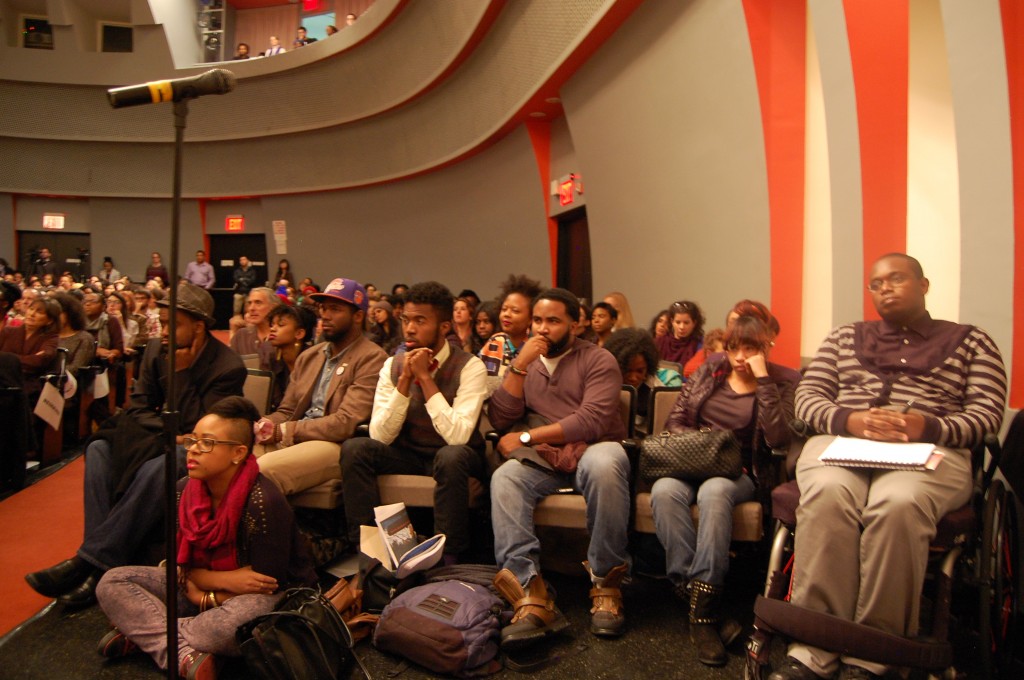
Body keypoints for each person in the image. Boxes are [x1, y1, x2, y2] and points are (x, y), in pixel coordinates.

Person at [768, 254, 1007, 680]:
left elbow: (987, 415)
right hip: (843, 442)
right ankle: (815, 648)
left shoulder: (972, 342)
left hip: (930, 450)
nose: (885, 288)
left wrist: (926, 425)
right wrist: (852, 420)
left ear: (924, 284)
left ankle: (872, 656)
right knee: (828, 494)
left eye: (896, 278)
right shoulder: (844, 337)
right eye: (876, 284)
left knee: (898, 503)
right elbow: (808, 399)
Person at [24, 282, 246, 608]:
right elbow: (139, 407)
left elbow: (203, 429)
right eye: (164, 321)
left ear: (198, 327)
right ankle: (100, 560)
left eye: (175, 324)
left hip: (200, 448)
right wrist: (171, 433)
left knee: (169, 462)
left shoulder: (227, 366)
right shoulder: (157, 350)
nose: (165, 330)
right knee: (99, 449)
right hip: (158, 437)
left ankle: (90, 564)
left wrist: (182, 374)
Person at [95, 396, 316, 679]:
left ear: (237, 452)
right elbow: (181, 566)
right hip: (202, 586)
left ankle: (142, 633)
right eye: (192, 441)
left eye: (207, 443)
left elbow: (265, 585)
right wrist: (213, 586)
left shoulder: (263, 501)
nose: (193, 451)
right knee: (112, 582)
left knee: (224, 628)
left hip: (269, 600)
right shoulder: (183, 490)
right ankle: (181, 653)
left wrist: (202, 592)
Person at [488, 287, 631, 648]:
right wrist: (519, 365)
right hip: (545, 458)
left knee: (607, 462)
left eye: (553, 321)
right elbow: (501, 416)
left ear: (575, 324)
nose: (542, 329)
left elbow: (592, 419)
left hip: (591, 449)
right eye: (537, 320)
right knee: (506, 477)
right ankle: (528, 592)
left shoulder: (598, 359)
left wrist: (526, 439)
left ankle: (606, 585)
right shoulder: (529, 361)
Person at [655, 316, 794, 665]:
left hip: (741, 473)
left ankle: (702, 614)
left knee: (715, 491)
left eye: (750, 349)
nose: (740, 357)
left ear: (766, 348)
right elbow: (675, 421)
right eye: (734, 348)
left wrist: (763, 379)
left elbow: (779, 439)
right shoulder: (708, 373)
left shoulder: (781, 381)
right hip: (692, 463)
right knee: (663, 490)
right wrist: (704, 444)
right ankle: (703, 607)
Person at [340, 281, 487, 562]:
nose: (409, 328)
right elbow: (380, 436)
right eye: (406, 319)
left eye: (420, 321)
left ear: (444, 326)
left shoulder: (470, 366)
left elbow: (458, 436)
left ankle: (448, 559)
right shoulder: (392, 366)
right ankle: (369, 553)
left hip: (457, 456)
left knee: (451, 455)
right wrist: (406, 380)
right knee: (355, 449)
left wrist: (426, 379)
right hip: (408, 454)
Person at [256, 279, 387, 507]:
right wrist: (266, 423)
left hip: (335, 444)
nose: (325, 315)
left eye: (335, 309)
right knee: (229, 462)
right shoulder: (311, 356)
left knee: (261, 471)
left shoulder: (372, 358)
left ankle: (274, 541)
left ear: (358, 316)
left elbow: (345, 423)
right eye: (323, 308)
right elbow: (287, 410)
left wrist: (285, 430)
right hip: (296, 436)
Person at [603, 328, 682, 431]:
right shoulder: (604, 385)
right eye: (627, 370)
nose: (633, 377)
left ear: (648, 367)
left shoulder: (665, 384)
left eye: (640, 371)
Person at [479, 274, 542, 397]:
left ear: (531, 318)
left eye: (515, 311)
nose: (507, 314)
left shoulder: (536, 346)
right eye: (504, 309)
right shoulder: (495, 341)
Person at [0, 294, 59, 396]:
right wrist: (28, 359)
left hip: (29, 383)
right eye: (31, 309)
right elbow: (32, 360)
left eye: (39, 312)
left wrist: (6, 359)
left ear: (49, 321)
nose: (32, 314)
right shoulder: (8, 331)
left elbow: (38, 361)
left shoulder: (51, 338)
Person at [264, 304, 317, 411]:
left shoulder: (314, 359)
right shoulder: (273, 359)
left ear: (299, 333)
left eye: (281, 325)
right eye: (272, 324)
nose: (273, 329)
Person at [230, 288, 282, 361]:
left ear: (274, 307)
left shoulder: (283, 336)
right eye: (249, 303)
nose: (251, 308)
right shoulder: (241, 335)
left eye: (258, 303)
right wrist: (233, 332)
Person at [53, 292, 96, 375]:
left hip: (68, 382)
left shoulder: (84, 338)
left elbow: (77, 367)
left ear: (70, 314)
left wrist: (52, 374)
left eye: (58, 313)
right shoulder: (46, 335)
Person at [656, 300, 704, 366]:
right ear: (672, 321)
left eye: (686, 323)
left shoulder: (700, 345)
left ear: (694, 323)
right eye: (678, 322)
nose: (682, 327)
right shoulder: (660, 342)